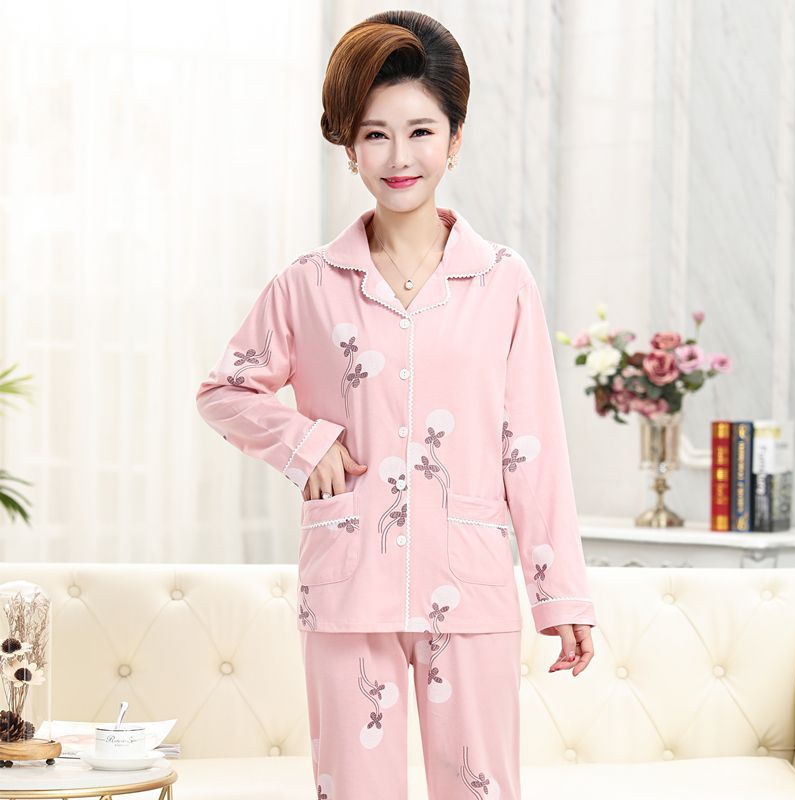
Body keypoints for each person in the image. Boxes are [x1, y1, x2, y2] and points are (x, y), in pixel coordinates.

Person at [195, 10, 597, 800]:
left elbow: (533, 448)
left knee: (481, 789)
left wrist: (561, 594)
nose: (399, 156)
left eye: (420, 131)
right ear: (349, 148)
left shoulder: (502, 281)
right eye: (375, 135)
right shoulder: (308, 285)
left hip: (469, 583)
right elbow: (224, 390)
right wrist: (304, 442)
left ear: (454, 138)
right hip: (351, 587)